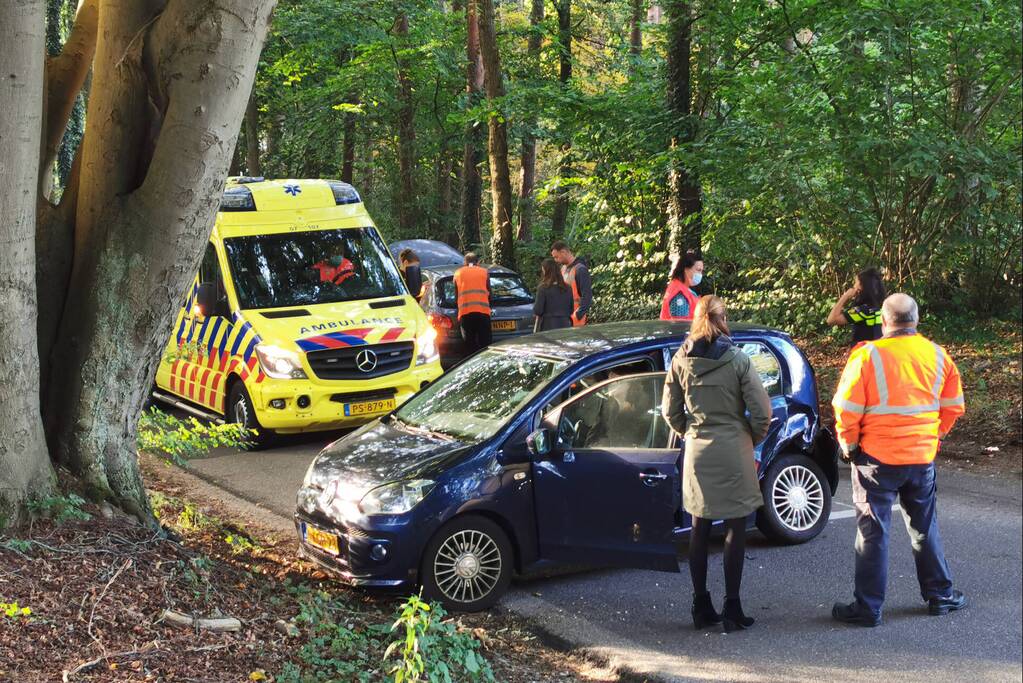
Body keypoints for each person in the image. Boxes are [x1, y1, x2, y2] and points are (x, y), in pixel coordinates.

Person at [831, 293, 967, 627]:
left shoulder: (867, 356)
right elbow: (953, 406)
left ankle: (868, 608)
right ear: (916, 320)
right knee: (924, 526)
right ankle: (940, 595)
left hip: (876, 458)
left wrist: (848, 446)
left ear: (884, 321)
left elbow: (846, 409)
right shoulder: (938, 356)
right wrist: (933, 436)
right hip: (920, 458)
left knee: (873, 532)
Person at [662, 295, 771, 633]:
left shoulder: (681, 359)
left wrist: (690, 431)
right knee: (736, 528)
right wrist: (748, 438)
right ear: (724, 318)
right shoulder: (737, 359)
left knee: (699, 526)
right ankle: (732, 608)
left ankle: (700, 605)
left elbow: (670, 411)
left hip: (697, 449)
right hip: (733, 448)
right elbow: (763, 411)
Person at [826, 267, 886, 346]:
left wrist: (845, 296)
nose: (854, 286)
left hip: (864, 354)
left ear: (861, 286)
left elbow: (831, 320)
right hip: (879, 352)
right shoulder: (882, 306)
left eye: (856, 282)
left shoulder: (862, 311)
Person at [452, 252, 492, 356]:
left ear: (464, 262)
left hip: (465, 313)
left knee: (469, 345)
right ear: (477, 262)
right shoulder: (485, 272)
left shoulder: (457, 273)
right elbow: (489, 293)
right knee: (485, 343)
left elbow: (456, 296)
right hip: (483, 312)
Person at [550, 240, 592, 326]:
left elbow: (587, 297)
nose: (556, 260)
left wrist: (577, 316)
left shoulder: (580, 269)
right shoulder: (563, 269)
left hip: (576, 320)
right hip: (565, 318)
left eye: (556, 257)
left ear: (563, 252)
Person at [659, 251, 704, 322]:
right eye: (698, 270)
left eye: (701, 271)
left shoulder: (682, 288)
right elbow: (679, 327)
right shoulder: (679, 294)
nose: (700, 274)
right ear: (686, 270)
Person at [533, 258, 574, 331]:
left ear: (546, 272)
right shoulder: (568, 288)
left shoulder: (543, 288)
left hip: (548, 326)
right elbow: (571, 309)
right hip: (566, 325)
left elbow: (538, 310)